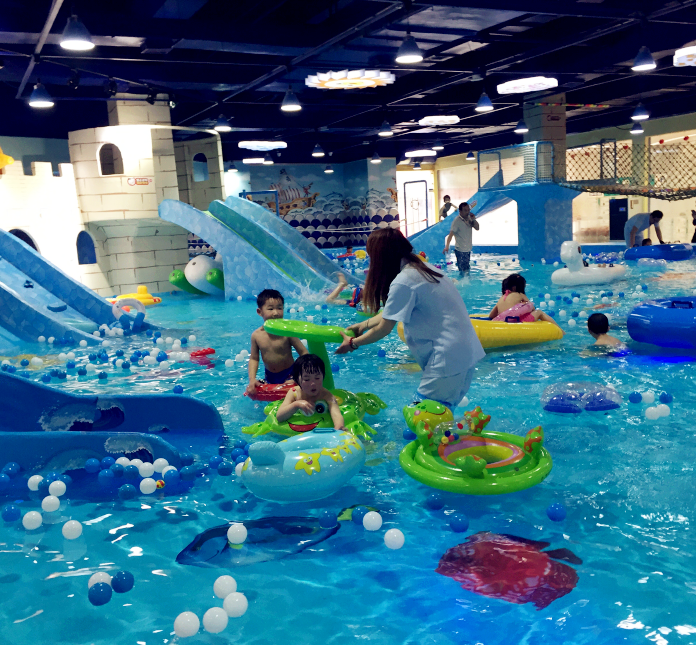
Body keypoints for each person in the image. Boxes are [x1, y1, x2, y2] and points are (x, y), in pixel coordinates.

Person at [336, 227, 485, 408]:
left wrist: (353, 343)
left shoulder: (404, 280)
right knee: (441, 416)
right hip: (466, 354)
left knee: (421, 416)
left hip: (447, 360)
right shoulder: (424, 269)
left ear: (381, 257)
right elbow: (390, 313)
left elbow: (384, 328)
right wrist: (363, 325)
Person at [247, 289, 308, 396]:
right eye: (270, 309)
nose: (276, 313)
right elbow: (254, 358)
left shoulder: (287, 332)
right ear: (259, 312)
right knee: (252, 393)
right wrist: (252, 379)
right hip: (270, 377)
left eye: (280, 308)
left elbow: (304, 353)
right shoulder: (256, 335)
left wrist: (299, 375)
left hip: (290, 375)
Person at [276, 354, 345, 429]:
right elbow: (279, 417)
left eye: (317, 378)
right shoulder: (294, 393)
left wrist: (339, 426)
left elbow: (336, 413)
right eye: (307, 379)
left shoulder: (325, 395)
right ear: (297, 380)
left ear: (323, 377)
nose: (313, 383)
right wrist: (296, 404)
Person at [488, 274, 563, 330]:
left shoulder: (502, 298)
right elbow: (532, 308)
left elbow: (491, 316)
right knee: (539, 312)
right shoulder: (520, 294)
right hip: (517, 323)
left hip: (502, 322)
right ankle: (559, 330)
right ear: (516, 287)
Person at [443, 202, 479, 276]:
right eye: (465, 210)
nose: (467, 212)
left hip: (467, 249)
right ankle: (462, 282)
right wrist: (447, 246)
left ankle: (465, 281)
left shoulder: (470, 218)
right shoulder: (456, 221)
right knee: (463, 271)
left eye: (468, 210)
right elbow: (451, 235)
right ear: (460, 211)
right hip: (460, 250)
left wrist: (474, 219)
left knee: (467, 270)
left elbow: (477, 228)